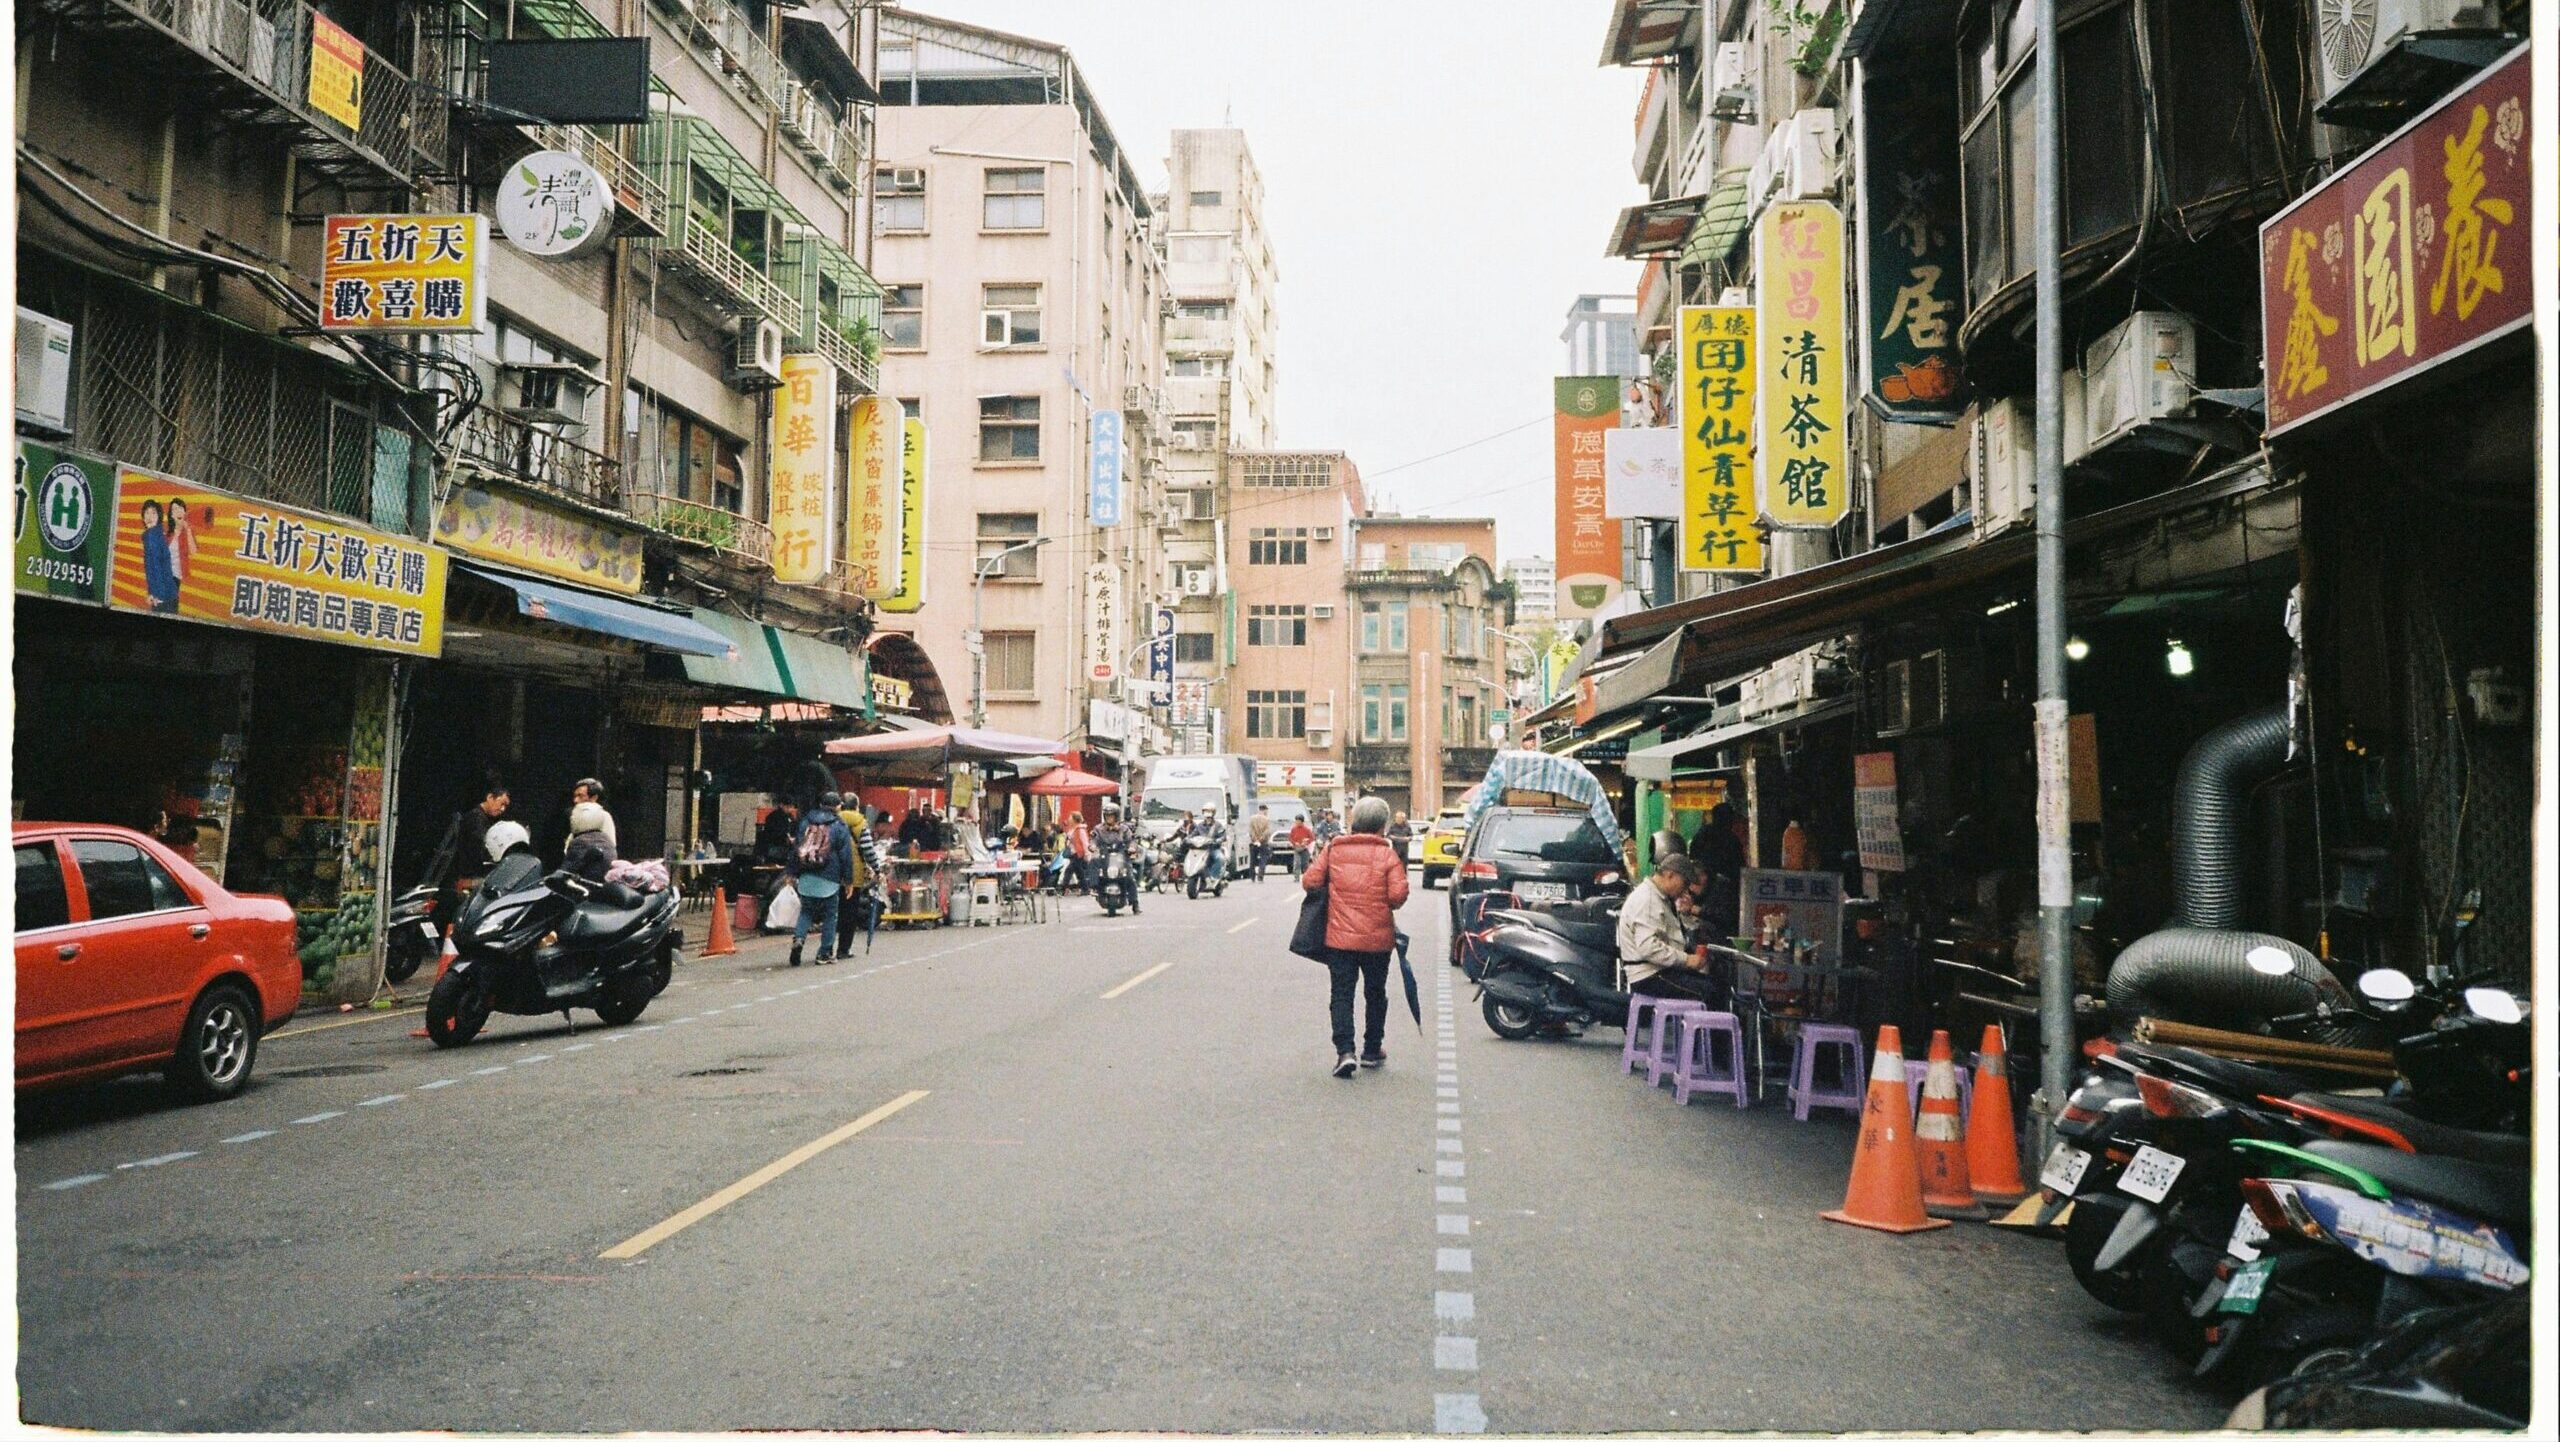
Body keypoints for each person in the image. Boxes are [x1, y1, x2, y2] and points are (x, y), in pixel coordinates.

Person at [1305, 797, 1411, 1077]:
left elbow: (1310, 881)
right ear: (1381, 826)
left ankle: (1345, 1052)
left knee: (1341, 993)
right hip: (1378, 940)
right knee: (1375, 993)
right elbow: (1397, 896)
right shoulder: (1388, 855)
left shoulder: (1334, 850)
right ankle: (1372, 1050)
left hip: (1340, 939)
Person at [1617, 854, 1712, 997]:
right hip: (1649, 975)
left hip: (1659, 970)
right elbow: (1649, 948)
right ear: (1670, 875)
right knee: (1708, 992)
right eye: (1685, 883)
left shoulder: (1659, 897)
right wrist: (1687, 960)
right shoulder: (1648, 899)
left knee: (1714, 983)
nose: (1685, 890)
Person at [788, 790, 856, 967]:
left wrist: (792, 872)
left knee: (806, 912)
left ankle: (799, 939)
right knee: (830, 916)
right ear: (838, 807)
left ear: (820, 804)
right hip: (830, 877)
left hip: (807, 875)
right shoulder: (839, 825)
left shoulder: (806, 822)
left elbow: (797, 848)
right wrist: (848, 880)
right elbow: (846, 856)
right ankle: (824, 953)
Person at [830, 793, 887, 959]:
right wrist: (877, 869)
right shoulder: (861, 823)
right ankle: (843, 949)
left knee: (833, 912)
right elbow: (868, 850)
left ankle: (826, 949)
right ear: (856, 806)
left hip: (832, 873)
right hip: (853, 874)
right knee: (849, 913)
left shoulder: (832, 821)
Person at [451, 778, 511, 890]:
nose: (503, 809)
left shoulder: (483, 819)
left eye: (506, 806)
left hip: (474, 873)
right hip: (468, 876)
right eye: (502, 804)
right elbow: (482, 847)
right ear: (490, 797)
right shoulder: (476, 818)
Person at [138, 500, 180, 612]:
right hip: (168, 594)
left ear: (159, 517)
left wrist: (157, 595)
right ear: (143, 516)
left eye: (153, 513)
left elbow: (157, 568)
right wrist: (152, 593)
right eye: (147, 513)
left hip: (163, 596)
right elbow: (153, 569)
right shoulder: (155, 534)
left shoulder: (152, 535)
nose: (149, 517)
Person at [563, 800, 617, 882]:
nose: (571, 819)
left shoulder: (580, 842)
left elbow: (566, 870)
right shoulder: (607, 840)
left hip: (585, 885)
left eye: (573, 816)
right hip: (604, 884)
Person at [570, 777, 617, 849]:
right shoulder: (574, 818)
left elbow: (610, 846)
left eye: (580, 796)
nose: (575, 800)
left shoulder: (603, 816)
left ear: (594, 798)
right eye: (575, 796)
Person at [1063, 811, 1093, 893]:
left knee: (1069, 870)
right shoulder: (1073, 829)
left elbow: (1085, 842)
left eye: (1070, 817)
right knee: (1079, 872)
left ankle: (1063, 888)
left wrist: (1087, 853)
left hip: (1078, 853)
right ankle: (1085, 889)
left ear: (1074, 819)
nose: (1069, 819)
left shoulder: (1080, 829)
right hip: (1074, 853)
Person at [1247, 804, 1275, 882]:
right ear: (1265, 810)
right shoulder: (1266, 819)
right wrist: (1261, 839)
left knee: (1252, 860)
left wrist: (1255, 839)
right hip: (1263, 842)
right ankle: (1260, 875)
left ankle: (1252, 876)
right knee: (1263, 859)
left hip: (1253, 842)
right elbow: (1267, 831)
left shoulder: (1252, 818)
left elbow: (1250, 830)